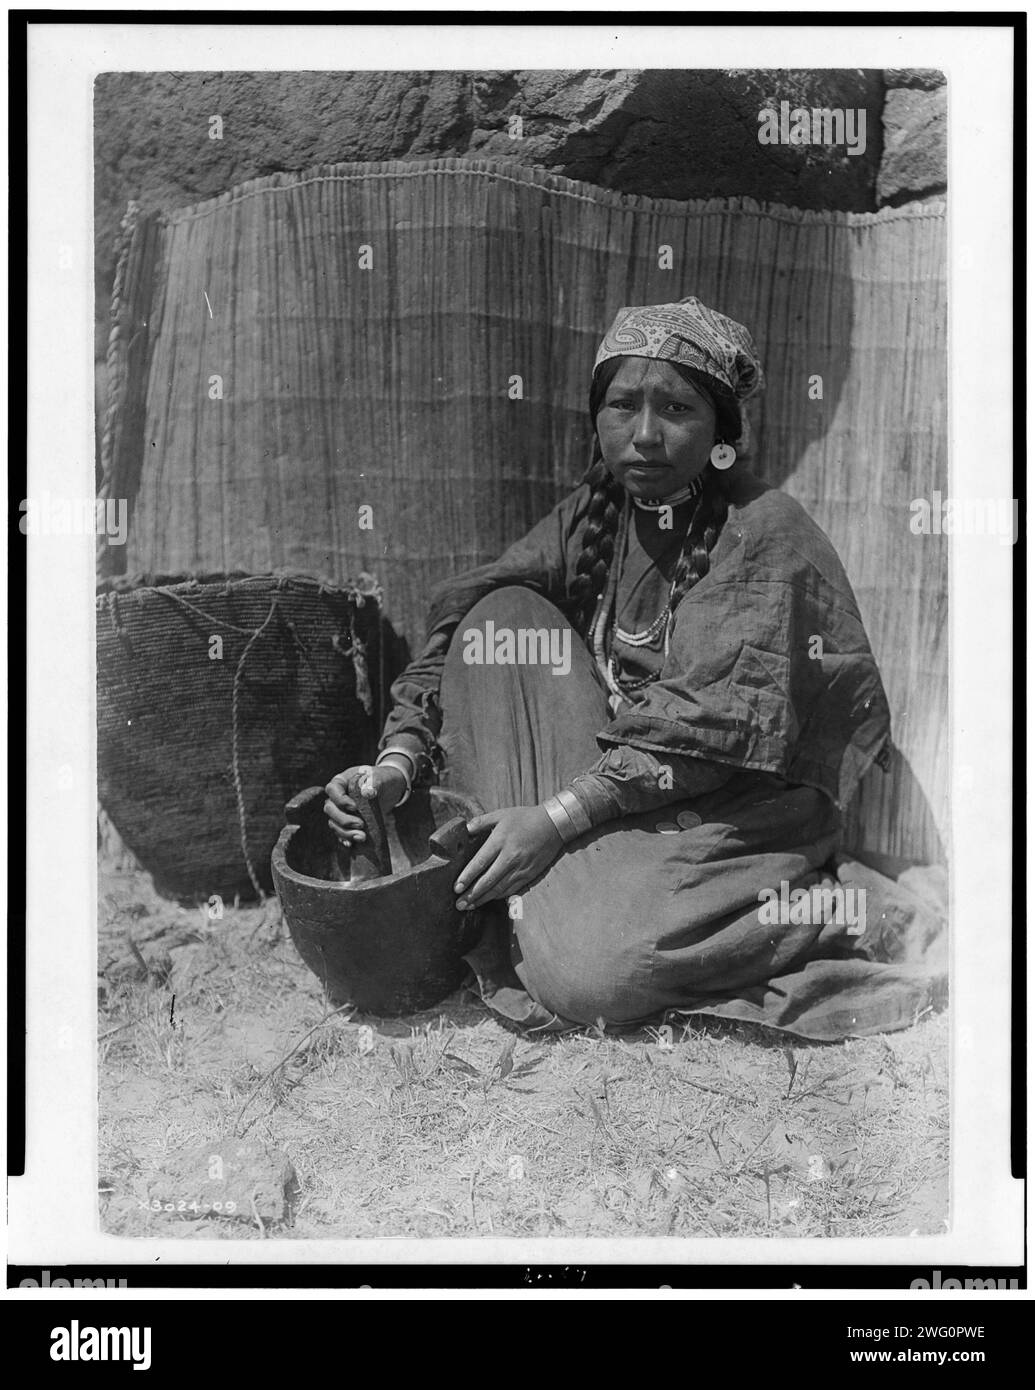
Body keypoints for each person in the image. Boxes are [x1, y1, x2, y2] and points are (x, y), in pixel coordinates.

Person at [324, 296, 945, 1040]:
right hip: (613, 782)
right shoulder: (595, 515)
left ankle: (833, 909)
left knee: (589, 979)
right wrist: (396, 763)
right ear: (596, 418)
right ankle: (552, 889)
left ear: (721, 433)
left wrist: (552, 822)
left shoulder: (765, 534)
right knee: (502, 615)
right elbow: (460, 623)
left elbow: (712, 731)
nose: (644, 436)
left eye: (676, 409)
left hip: (730, 807)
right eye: (622, 405)